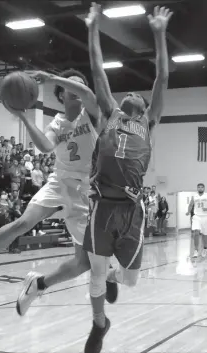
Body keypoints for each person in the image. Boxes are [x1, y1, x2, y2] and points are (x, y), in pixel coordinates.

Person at [0, 68, 116, 310]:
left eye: (79, 84)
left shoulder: (92, 115)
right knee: (22, 223)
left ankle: (39, 284)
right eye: (72, 85)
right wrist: (23, 116)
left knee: (82, 263)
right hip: (59, 182)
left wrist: (52, 78)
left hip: (86, 189)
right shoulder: (57, 123)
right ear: (61, 95)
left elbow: (88, 93)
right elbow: (45, 146)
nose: (77, 88)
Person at [82, 4, 172, 352]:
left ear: (146, 105)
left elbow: (162, 78)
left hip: (133, 210)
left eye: (139, 93)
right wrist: (92, 28)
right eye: (129, 92)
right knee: (94, 274)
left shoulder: (149, 122)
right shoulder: (111, 113)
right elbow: (97, 69)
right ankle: (99, 324)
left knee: (131, 281)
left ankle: (116, 276)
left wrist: (160, 33)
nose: (133, 92)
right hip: (102, 205)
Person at [186, 183, 207, 258]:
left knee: (205, 235)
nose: (200, 188)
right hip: (196, 216)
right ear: (197, 188)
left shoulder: (206, 195)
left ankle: (205, 248)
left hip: (205, 217)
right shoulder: (194, 196)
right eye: (199, 187)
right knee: (196, 232)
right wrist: (188, 211)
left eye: (202, 187)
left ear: (204, 188)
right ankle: (196, 250)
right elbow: (191, 205)